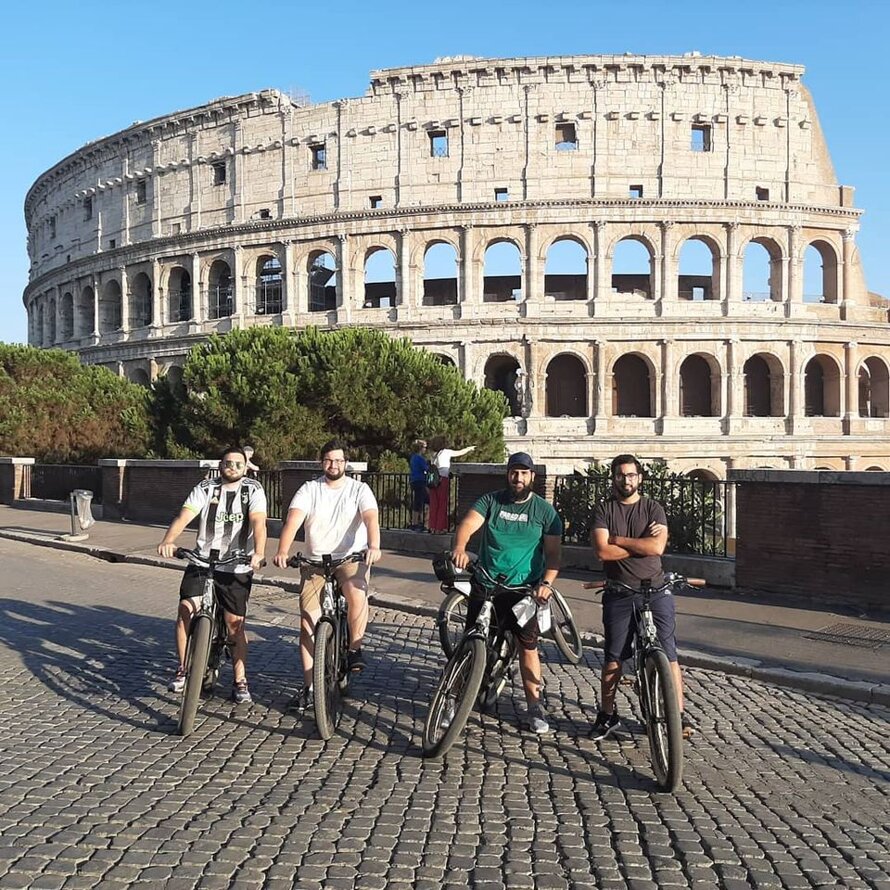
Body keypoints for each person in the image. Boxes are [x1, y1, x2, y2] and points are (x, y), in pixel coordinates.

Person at [450, 451, 562, 734]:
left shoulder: (545, 513)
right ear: (507, 474)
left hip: (523, 590)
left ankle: (534, 706)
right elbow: (469, 524)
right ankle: (454, 697)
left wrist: (546, 584)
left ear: (532, 477)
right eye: (514, 472)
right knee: (470, 639)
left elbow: (553, 556)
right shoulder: (491, 501)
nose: (518, 478)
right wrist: (461, 547)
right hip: (486, 582)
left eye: (524, 473)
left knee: (528, 646)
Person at [589, 454, 693, 740]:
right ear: (613, 478)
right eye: (621, 475)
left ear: (640, 478)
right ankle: (607, 715)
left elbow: (657, 548)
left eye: (632, 475)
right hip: (619, 593)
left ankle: (678, 714)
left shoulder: (653, 508)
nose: (627, 480)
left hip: (655, 591)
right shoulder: (604, 510)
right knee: (613, 659)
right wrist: (641, 545)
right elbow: (602, 552)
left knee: (669, 655)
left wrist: (619, 540)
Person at [273, 440, 381, 710]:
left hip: (350, 558)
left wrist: (374, 546)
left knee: (356, 593)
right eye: (329, 460)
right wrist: (283, 550)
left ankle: (355, 649)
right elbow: (293, 520)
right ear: (322, 462)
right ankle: (310, 687)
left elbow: (370, 519)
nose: (334, 465)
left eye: (339, 460)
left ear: (346, 463)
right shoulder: (310, 489)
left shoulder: (359, 489)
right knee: (308, 621)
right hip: (314, 561)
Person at [158, 445, 268, 704]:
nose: (232, 467)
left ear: (245, 467)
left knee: (234, 625)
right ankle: (184, 668)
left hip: (236, 565)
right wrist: (168, 540)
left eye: (238, 464)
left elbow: (258, 522)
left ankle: (240, 679)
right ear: (220, 465)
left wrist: (259, 552)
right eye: (228, 463)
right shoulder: (206, 488)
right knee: (186, 610)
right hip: (202, 560)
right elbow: (185, 515)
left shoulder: (252, 490)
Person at [427, 437, 475, 534]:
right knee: (442, 505)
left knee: (434, 505)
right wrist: (469, 448)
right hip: (442, 480)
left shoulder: (433, 454)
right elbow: (460, 452)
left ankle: (432, 527)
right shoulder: (446, 452)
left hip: (433, 481)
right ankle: (439, 528)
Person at [408, 439, 430, 532]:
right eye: (425, 447)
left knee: (418, 501)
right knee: (425, 502)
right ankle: (421, 523)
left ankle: (415, 522)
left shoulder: (413, 458)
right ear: (421, 448)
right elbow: (426, 469)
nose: (426, 449)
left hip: (414, 481)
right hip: (420, 481)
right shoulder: (420, 459)